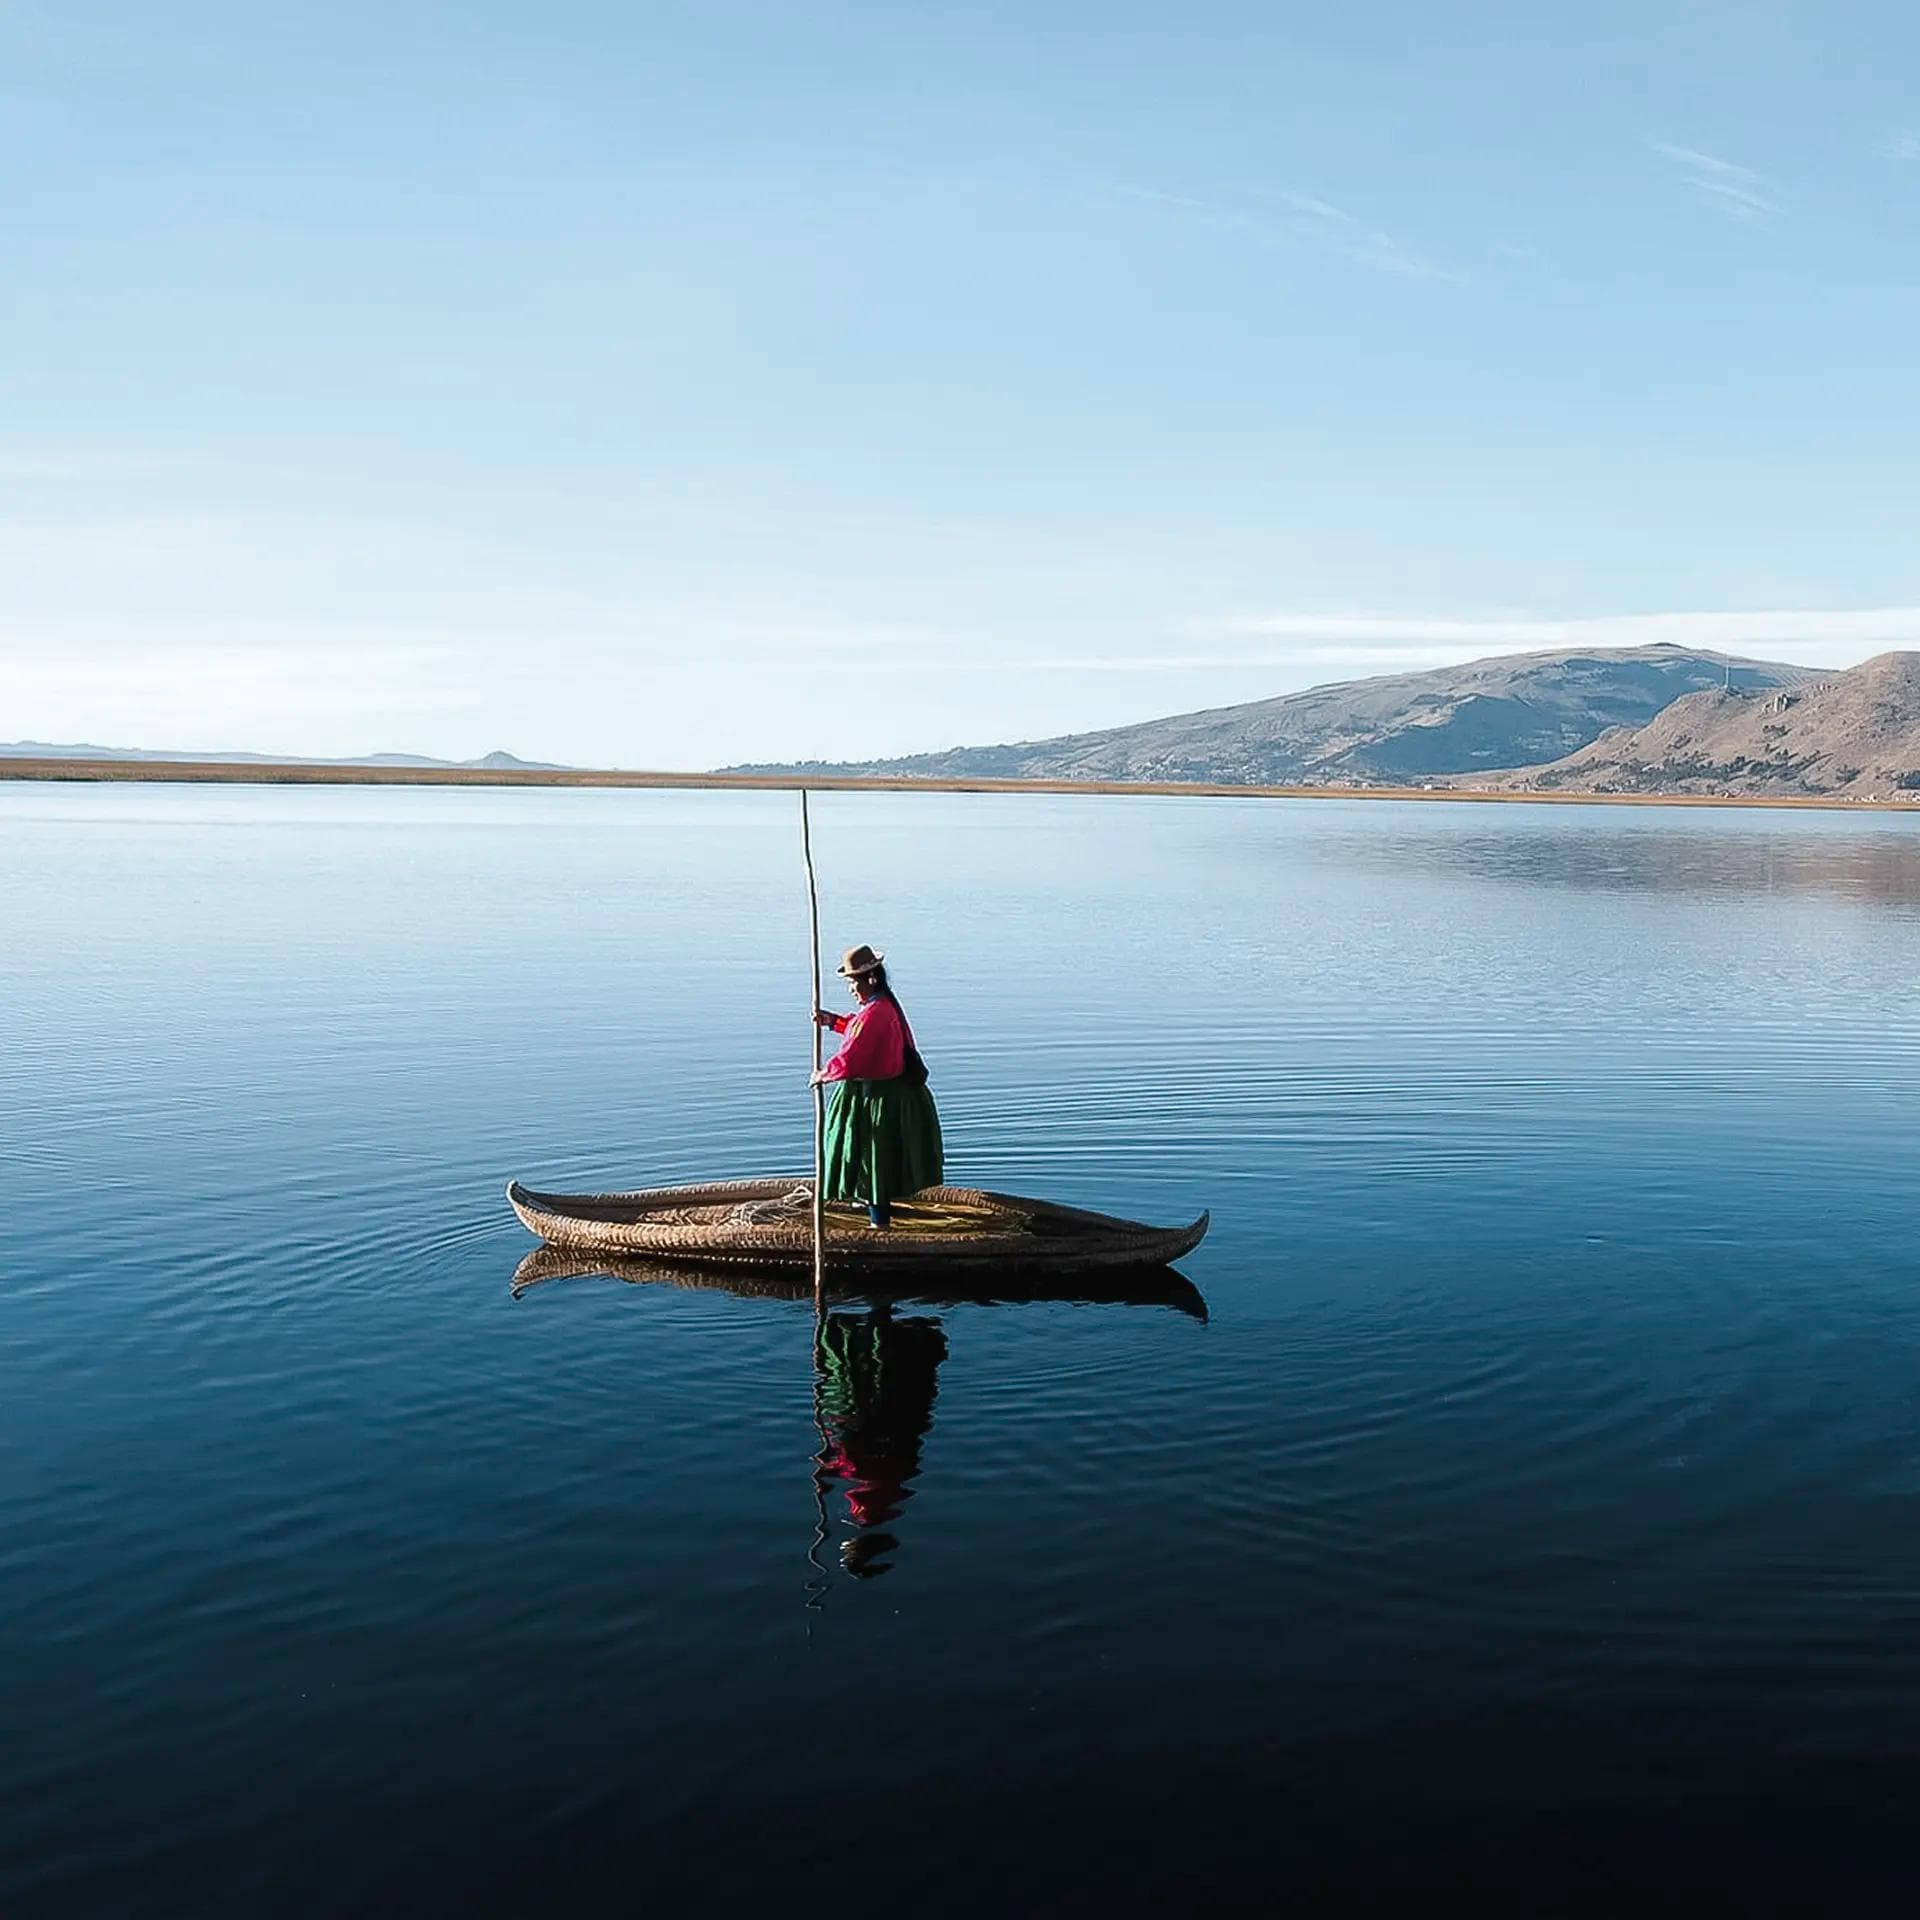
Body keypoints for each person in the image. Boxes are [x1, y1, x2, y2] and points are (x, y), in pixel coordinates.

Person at [811, 943, 943, 1228]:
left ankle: (879, 1225)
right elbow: (861, 1030)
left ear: (870, 979)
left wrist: (823, 1074)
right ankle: (878, 1217)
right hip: (885, 1094)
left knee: (875, 1162)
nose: (851, 989)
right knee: (876, 1163)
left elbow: (852, 1055)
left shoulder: (878, 1011)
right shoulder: (881, 1004)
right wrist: (833, 1022)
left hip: (882, 1100)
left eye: (852, 982)